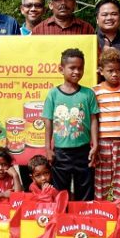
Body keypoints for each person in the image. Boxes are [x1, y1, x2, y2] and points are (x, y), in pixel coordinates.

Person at [42, 48, 99, 201]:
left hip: (84, 151)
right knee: (61, 191)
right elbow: (48, 121)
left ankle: (82, 219)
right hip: (61, 152)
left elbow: (94, 120)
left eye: (80, 68)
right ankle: (62, 219)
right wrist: (48, 148)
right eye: (72, 68)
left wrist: (95, 145)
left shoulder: (88, 94)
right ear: (61, 69)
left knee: (85, 189)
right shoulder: (53, 94)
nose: (77, 71)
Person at [93, 47, 120, 201]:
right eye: (110, 70)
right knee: (101, 179)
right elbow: (93, 119)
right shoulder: (95, 91)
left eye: (118, 70)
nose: (115, 74)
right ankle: (100, 210)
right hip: (103, 143)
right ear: (101, 71)